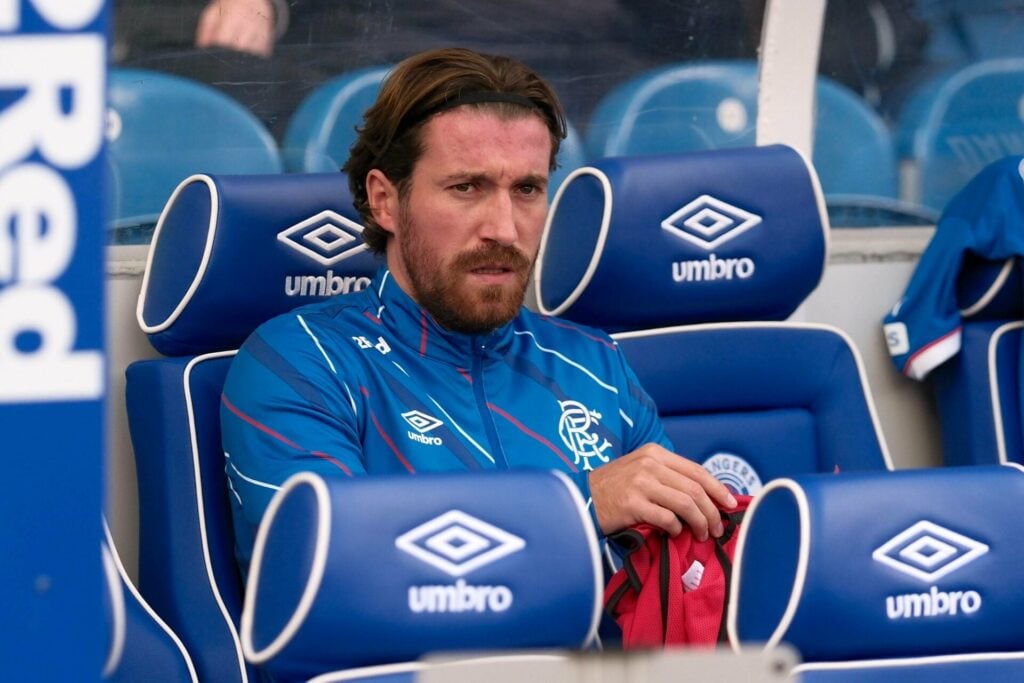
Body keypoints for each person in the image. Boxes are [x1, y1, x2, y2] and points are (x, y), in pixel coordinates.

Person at [220, 47, 736, 571]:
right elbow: (328, 566)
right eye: (467, 187)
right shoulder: (299, 361)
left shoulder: (597, 364)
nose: (505, 229)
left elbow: (687, 580)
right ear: (385, 201)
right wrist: (579, 504)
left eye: (528, 189)